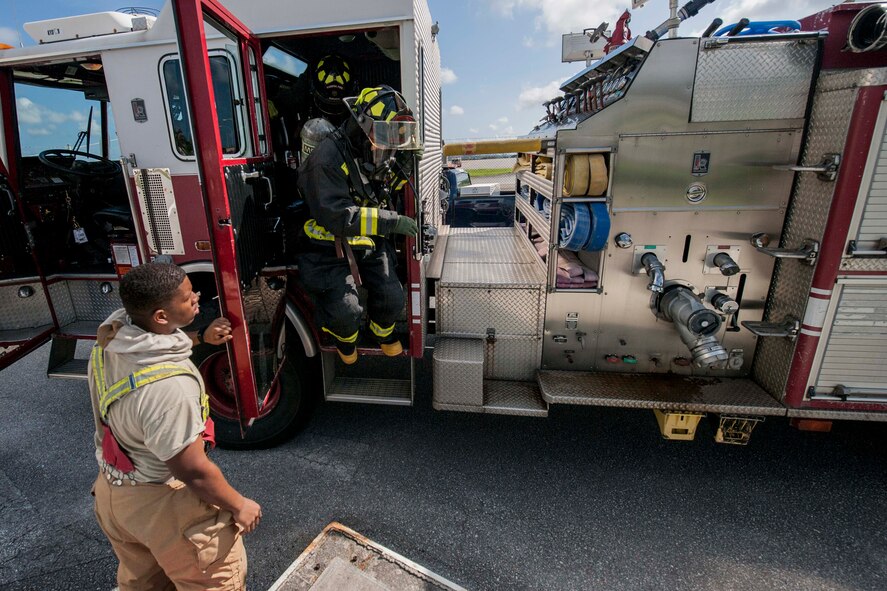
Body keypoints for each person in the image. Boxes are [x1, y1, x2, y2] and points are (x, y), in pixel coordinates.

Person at [88, 262, 261, 590]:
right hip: (161, 508)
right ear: (161, 317)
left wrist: (202, 337)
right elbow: (191, 470)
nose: (196, 297)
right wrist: (239, 505)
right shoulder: (170, 389)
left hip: (114, 497)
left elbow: (152, 345)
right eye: (186, 297)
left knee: (144, 584)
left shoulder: (110, 338)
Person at [296, 85, 421, 364]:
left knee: (392, 298)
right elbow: (339, 217)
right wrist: (393, 221)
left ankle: (382, 332)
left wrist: (407, 166)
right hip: (327, 246)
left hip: (367, 239)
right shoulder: (325, 161)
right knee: (345, 312)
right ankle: (345, 339)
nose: (392, 141)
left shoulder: (372, 145)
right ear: (362, 124)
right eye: (389, 133)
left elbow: (382, 191)